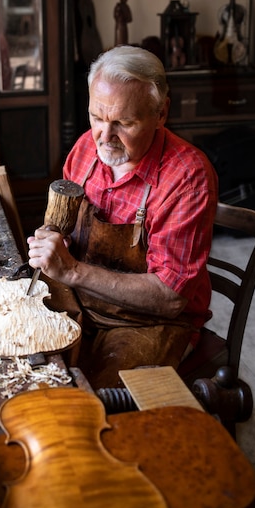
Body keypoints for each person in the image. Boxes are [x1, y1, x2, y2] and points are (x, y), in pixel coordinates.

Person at [27, 45, 218, 389]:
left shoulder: (187, 178)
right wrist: (52, 242)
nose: (104, 136)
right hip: (81, 298)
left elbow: (170, 297)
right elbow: (64, 231)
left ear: (161, 113)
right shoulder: (86, 148)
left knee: (99, 407)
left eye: (124, 122)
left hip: (147, 322)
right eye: (97, 117)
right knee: (26, 364)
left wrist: (71, 270)